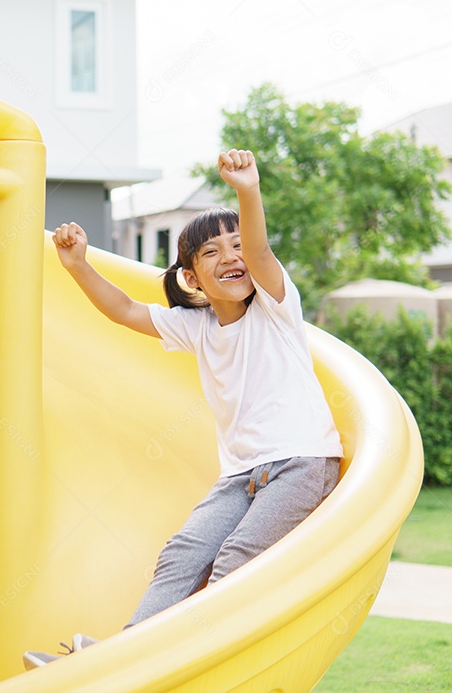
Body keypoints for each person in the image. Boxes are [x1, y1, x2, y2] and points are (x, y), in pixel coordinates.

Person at [23, 149, 343, 670]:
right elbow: (125, 310)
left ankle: (189, 669)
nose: (231, 256)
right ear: (192, 278)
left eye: (236, 244)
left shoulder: (275, 310)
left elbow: (261, 255)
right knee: (183, 554)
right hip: (240, 475)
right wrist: (78, 265)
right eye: (211, 252)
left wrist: (247, 188)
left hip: (300, 464)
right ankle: (121, 660)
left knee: (235, 562)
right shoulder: (195, 328)